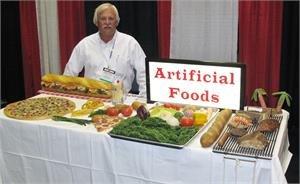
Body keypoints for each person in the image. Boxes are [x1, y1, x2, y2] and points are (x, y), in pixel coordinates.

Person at [63, 3, 146, 96]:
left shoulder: (130, 43)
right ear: (97, 22)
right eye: (103, 19)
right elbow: (69, 74)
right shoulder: (85, 44)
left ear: (117, 22)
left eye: (111, 18)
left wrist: (144, 97)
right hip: (92, 98)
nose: (107, 22)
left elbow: (144, 72)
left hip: (122, 99)